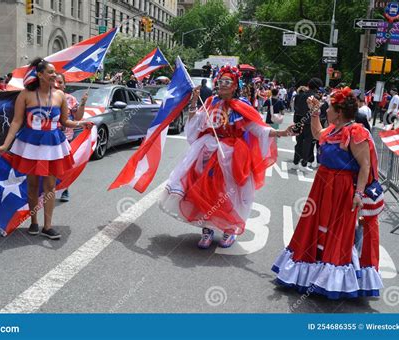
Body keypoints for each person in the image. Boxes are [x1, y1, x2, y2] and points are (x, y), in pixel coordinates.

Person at [159, 66, 299, 249]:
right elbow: (196, 122)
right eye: (221, 81)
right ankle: (206, 229)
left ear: (235, 86)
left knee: (228, 193)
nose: (223, 85)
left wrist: (281, 133)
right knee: (201, 190)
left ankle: (229, 230)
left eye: (228, 82)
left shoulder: (242, 105)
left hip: (231, 156)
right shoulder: (210, 101)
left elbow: (257, 129)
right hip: (206, 152)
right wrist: (193, 102)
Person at [272, 87, 383, 299]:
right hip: (322, 186)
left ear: (339, 112)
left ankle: (334, 279)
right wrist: (314, 113)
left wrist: (358, 194)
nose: (327, 110)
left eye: (329, 107)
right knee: (316, 228)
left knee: (338, 232)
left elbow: (365, 166)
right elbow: (316, 133)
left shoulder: (355, 132)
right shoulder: (332, 129)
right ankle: (313, 272)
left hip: (342, 189)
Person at [0, 58, 92, 239]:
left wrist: (81, 123)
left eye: (54, 72)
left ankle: (48, 226)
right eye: (50, 72)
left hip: (53, 144)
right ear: (39, 75)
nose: (54, 75)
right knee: (32, 185)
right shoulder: (25, 95)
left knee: (49, 186)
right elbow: (16, 121)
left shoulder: (60, 95)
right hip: (30, 143)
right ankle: (34, 222)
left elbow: (64, 121)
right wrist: (6, 145)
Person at [55, 73, 89, 202]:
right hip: (48, 138)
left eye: (61, 82)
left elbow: (78, 117)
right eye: (55, 81)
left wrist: (83, 103)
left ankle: (64, 189)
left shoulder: (70, 99)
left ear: (64, 84)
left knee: (64, 165)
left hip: (65, 137)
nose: (58, 84)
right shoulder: (45, 98)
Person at [291, 78, 323, 172]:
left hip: (298, 120)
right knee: (307, 143)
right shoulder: (315, 96)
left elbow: (295, 109)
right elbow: (316, 110)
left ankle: (295, 162)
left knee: (299, 142)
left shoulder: (299, 95)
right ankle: (303, 163)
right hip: (309, 122)